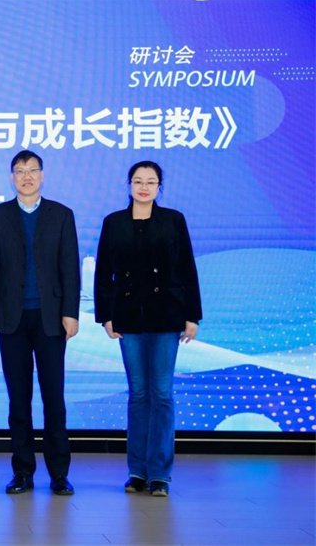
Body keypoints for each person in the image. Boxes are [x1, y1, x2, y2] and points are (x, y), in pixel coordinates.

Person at [94, 160, 202, 497]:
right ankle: (137, 471)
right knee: (138, 394)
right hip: (129, 318)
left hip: (167, 316)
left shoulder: (173, 220)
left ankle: (160, 474)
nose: (144, 187)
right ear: (129, 185)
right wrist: (105, 315)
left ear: (159, 187)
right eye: (138, 181)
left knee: (162, 394)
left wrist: (192, 316)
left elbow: (187, 268)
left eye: (150, 181)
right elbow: (103, 272)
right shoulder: (114, 222)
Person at [0, 150, 80, 496]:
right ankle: (22, 471)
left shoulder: (61, 215)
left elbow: (70, 268)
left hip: (51, 319)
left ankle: (59, 474)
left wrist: (71, 312)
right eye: (20, 171)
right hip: (11, 319)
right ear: (12, 178)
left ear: (42, 175)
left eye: (32, 170)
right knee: (19, 400)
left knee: (54, 398)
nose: (26, 176)